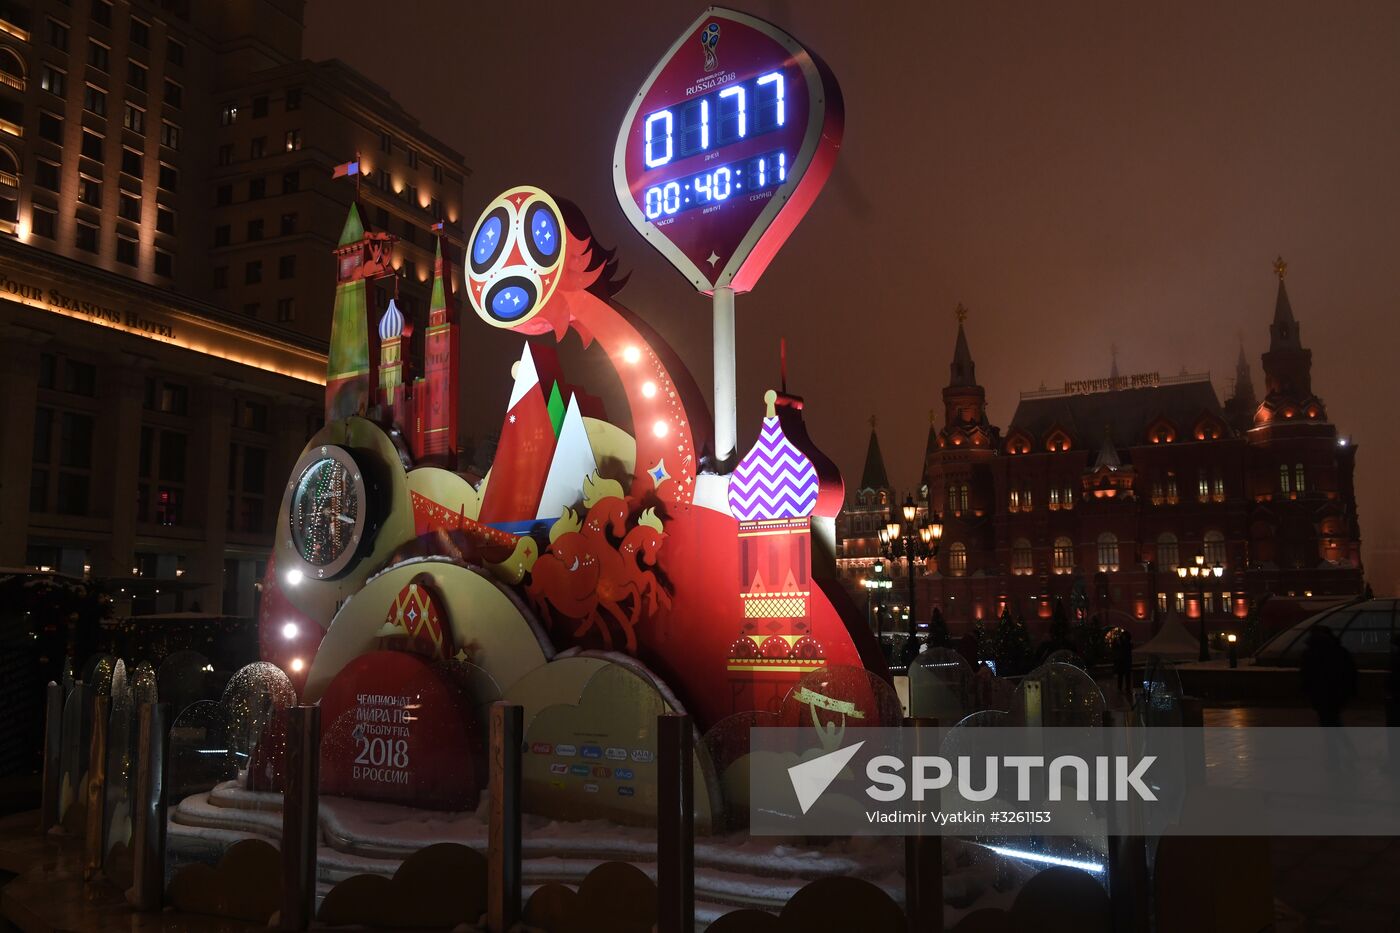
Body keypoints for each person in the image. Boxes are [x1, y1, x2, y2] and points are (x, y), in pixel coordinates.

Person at [1300, 626, 1358, 766]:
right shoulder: (1338, 651)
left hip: (1321, 695)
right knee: (1333, 723)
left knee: (1329, 725)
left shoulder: (1310, 653)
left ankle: (1336, 757)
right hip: (1335, 695)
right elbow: (1350, 673)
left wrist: (1306, 691)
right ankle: (1344, 752)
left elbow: (1306, 676)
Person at [1112, 629, 1134, 698]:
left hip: (1125, 661)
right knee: (1121, 675)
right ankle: (1121, 688)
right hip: (1122, 661)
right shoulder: (1124, 643)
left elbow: (1124, 649)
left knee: (1126, 676)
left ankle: (1126, 688)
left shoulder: (1127, 643)